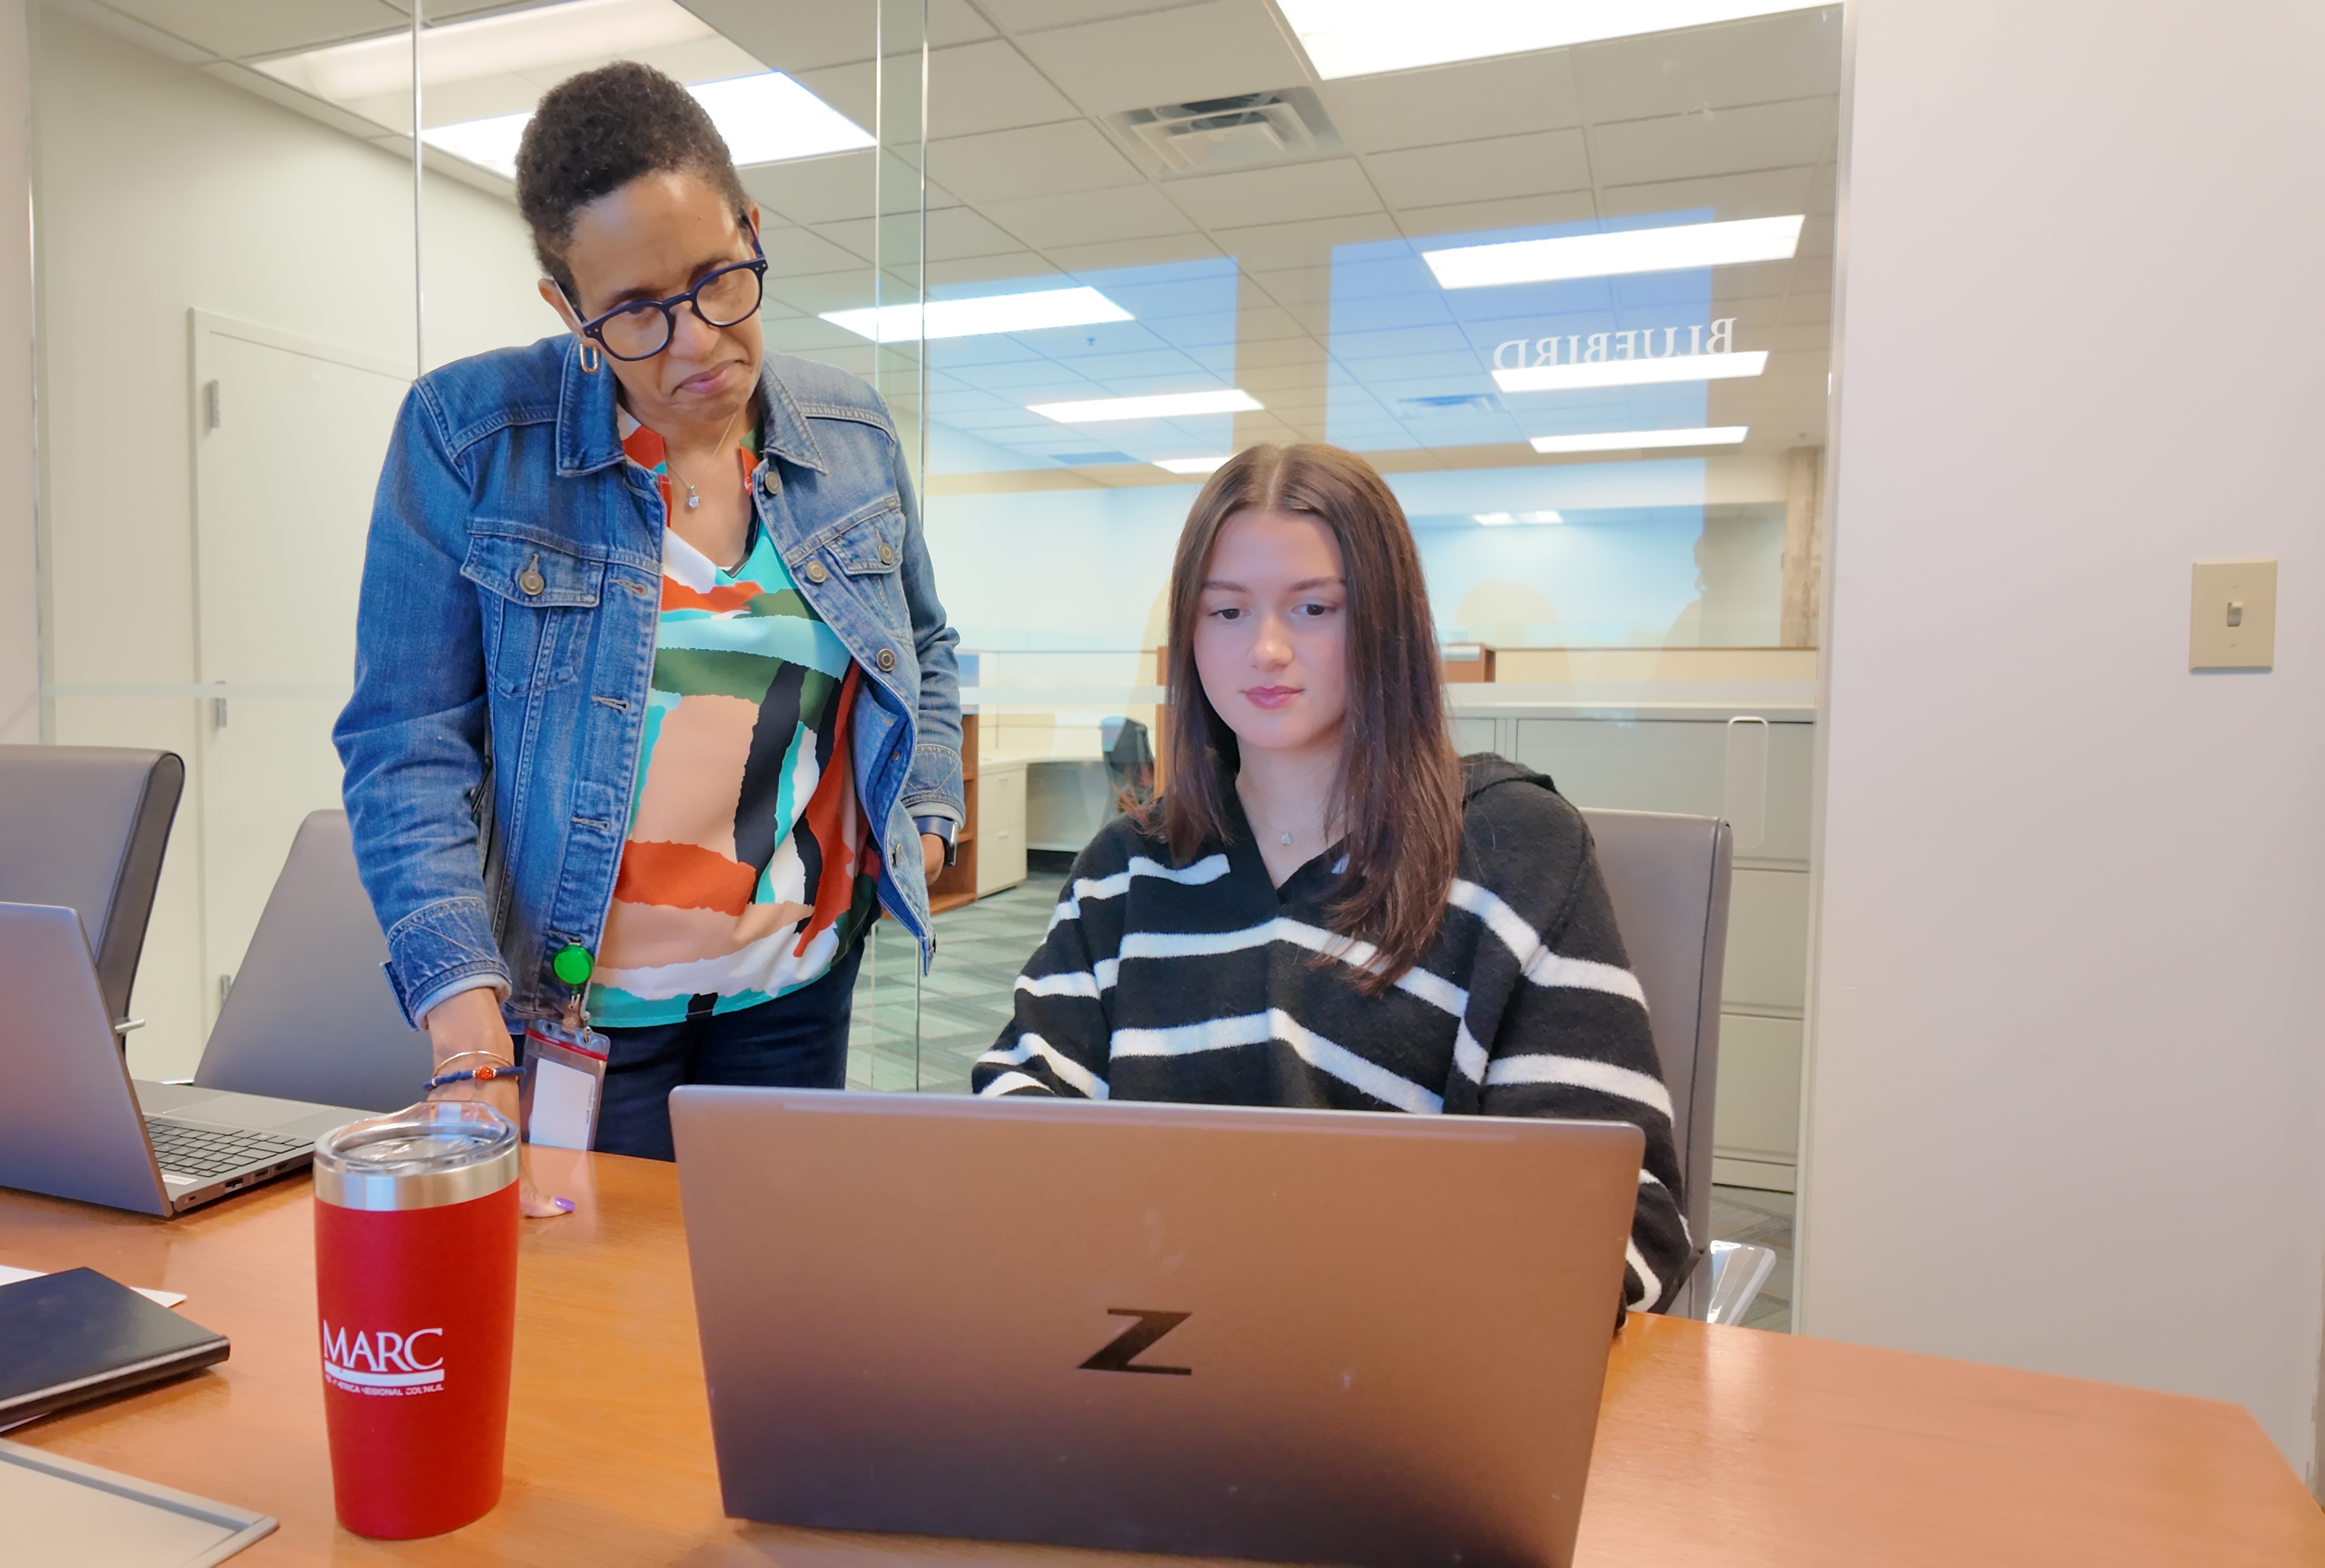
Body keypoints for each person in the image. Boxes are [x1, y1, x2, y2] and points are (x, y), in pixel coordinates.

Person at [335, 62, 963, 1164]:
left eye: (720, 279)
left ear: (753, 229)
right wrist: (465, 1028)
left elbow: (924, 647)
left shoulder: (850, 434)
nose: (695, 342)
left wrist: (922, 820)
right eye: (634, 312)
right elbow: (406, 748)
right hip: (571, 1017)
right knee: (589, 1318)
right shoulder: (471, 439)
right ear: (567, 308)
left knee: (761, 1306)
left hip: (797, 990)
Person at [969, 444, 1693, 1314]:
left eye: (1314, 608)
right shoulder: (1125, 870)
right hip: (1150, 1361)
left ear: (1386, 623)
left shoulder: (1514, 850)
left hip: (1404, 1369)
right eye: (1227, 611)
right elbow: (1015, 1124)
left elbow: (1620, 1213)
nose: (1266, 650)